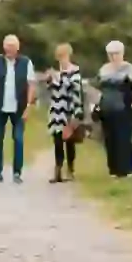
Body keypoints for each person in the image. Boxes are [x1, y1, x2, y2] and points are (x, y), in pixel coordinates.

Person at [0, 34, 36, 184]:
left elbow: (31, 85)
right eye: (7, 46)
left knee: (18, 139)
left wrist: (28, 106)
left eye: (12, 47)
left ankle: (17, 173)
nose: (9, 49)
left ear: (17, 48)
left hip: (19, 107)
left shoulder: (26, 63)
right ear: (3, 47)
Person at [95, 40, 132, 179]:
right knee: (110, 138)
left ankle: (127, 169)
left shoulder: (130, 69)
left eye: (116, 53)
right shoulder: (104, 70)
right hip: (107, 108)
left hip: (124, 108)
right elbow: (98, 87)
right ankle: (114, 169)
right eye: (111, 54)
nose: (113, 56)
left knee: (124, 138)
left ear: (122, 53)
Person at [44, 43, 84, 183]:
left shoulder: (75, 72)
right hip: (56, 111)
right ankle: (58, 170)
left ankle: (70, 170)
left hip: (69, 110)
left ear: (69, 55)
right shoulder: (57, 72)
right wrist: (50, 80)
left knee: (69, 141)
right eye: (59, 57)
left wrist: (76, 114)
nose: (62, 59)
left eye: (64, 56)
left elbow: (75, 91)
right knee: (57, 141)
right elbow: (51, 89)